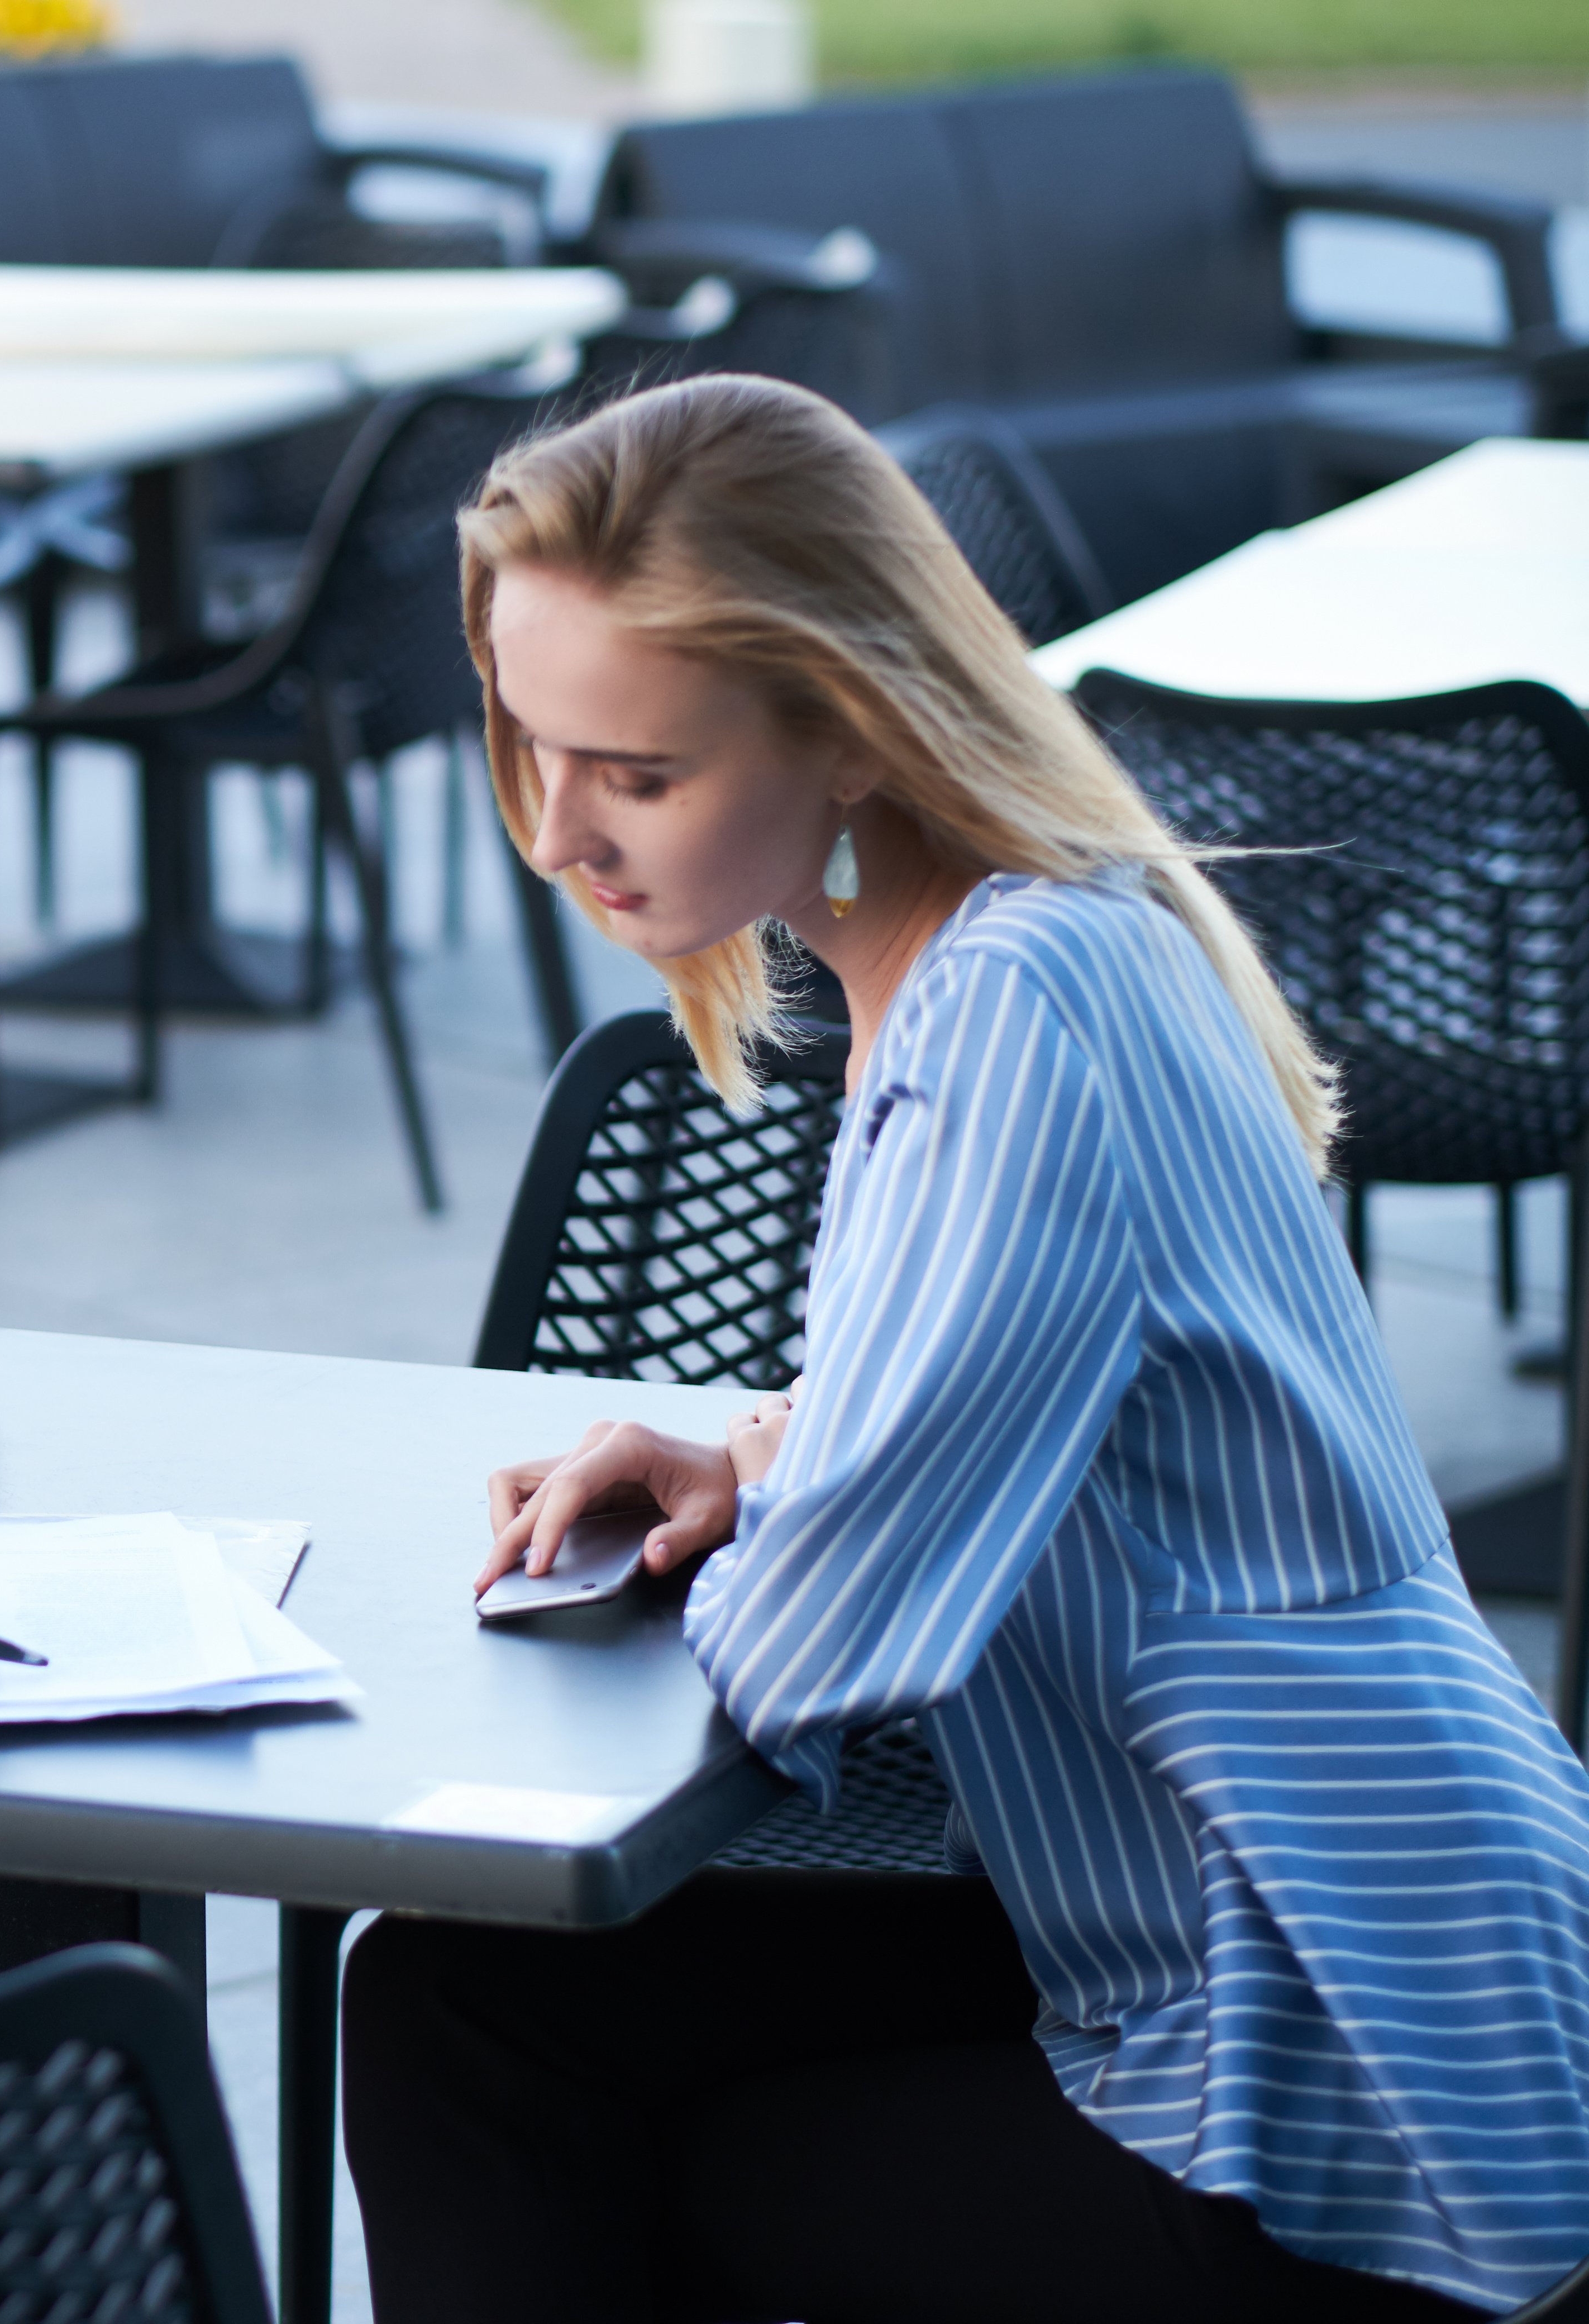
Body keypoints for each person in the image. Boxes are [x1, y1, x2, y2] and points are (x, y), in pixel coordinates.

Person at [341, 375, 1589, 2322]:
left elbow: (824, 1647)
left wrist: (797, 1515)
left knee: (579, 2121)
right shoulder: (1033, 937)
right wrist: (765, 1461)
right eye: (527, 740)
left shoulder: (1016, 1014)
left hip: (1333, 2068)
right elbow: (1002, 1426)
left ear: (850, 725)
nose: (561, 832)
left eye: (637, 772)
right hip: (1276, 1931)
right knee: (467, 1992)